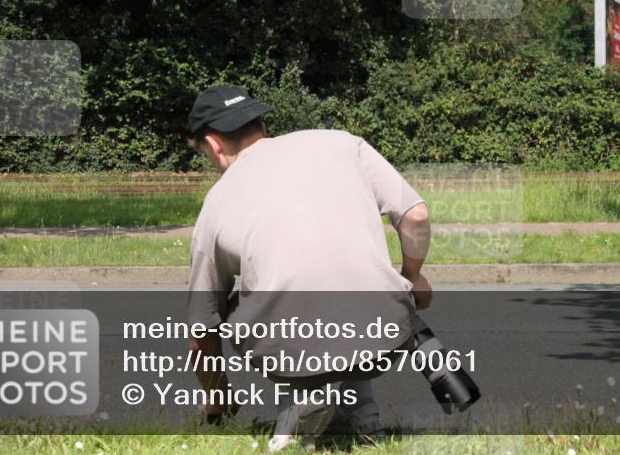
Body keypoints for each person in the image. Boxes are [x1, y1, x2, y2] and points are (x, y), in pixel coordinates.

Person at [183, 85, 433, 451]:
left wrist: (218, 398)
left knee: (234, 304)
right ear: (261, 126)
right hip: (389, 333)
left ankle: (298, 412)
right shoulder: (342, 144)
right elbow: (416, 216)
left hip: (296, 351)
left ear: (214, 145)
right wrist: (413, 275)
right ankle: (364, 421)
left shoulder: (215, 205)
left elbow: (202, 330)